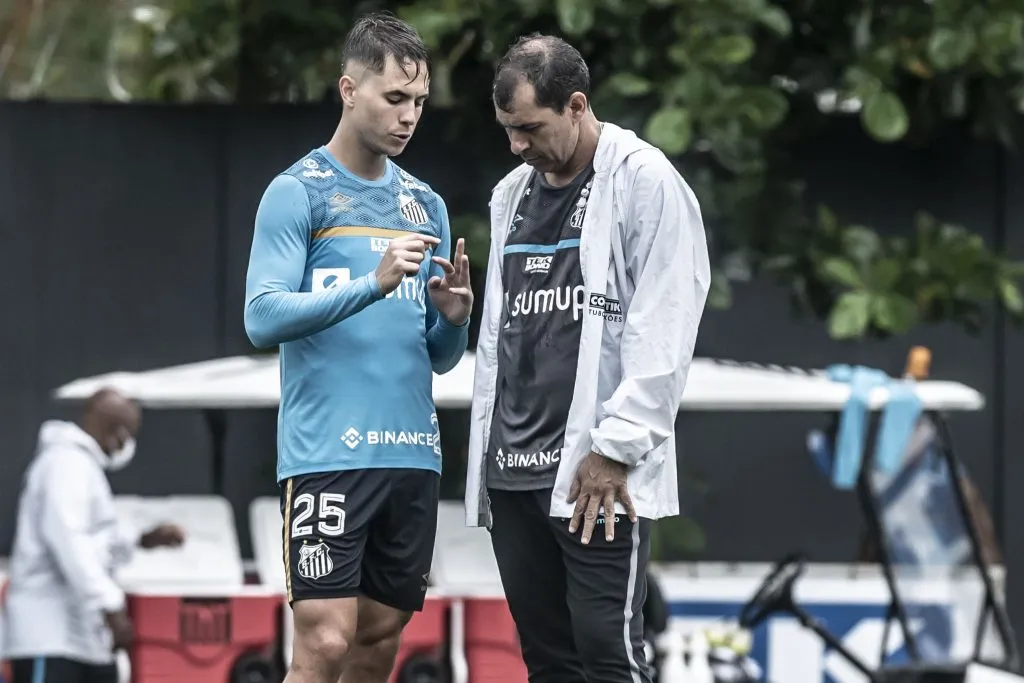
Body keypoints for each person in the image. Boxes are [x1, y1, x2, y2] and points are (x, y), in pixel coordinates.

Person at [465, 34, 710, 683]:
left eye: (529, 128)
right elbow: (506, 334)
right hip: (514, 473)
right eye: (507, 130)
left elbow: (666, 323)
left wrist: (618, 447)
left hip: (595, 475)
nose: (517, 145)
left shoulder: (644, 181)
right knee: (548, 661)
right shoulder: (510, 194)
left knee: (608, 652)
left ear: (576, 105)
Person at [242, 11, 472, 683]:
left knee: (377, 639)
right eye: (393, 98)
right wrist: (373, 283)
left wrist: (452, 318)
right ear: (349, 90)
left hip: (411, 454)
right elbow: (262, 316)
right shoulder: (298, 192)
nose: (408, 116)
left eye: (419, 101)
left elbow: (439, 356)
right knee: (325, 640)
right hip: (326, 455)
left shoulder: (424, 204)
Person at [3, 388, 186, 683]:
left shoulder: (83, 467)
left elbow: (95, 541)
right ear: (117, 432)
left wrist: (141, 538)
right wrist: (110, 605)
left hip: (85, 642)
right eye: (130, 434)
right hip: (50, 638)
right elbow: (69, 542)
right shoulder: (65, 465)